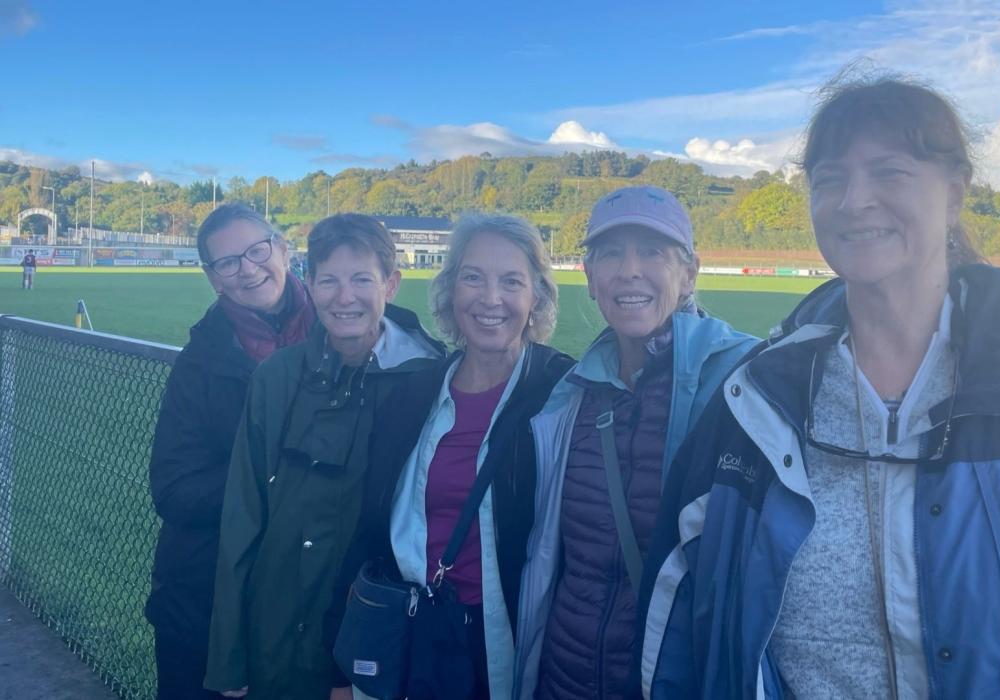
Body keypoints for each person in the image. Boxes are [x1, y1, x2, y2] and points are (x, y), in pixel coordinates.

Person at [641, 76, 1000, 699]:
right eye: (830, 179)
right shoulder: (757, 399)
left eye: (889, 173)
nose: (854, 201)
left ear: (955, 193)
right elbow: (680, 611)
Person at [511, 186, 760, 699]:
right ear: (590, 277)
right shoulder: (571, 396)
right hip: (564, 680)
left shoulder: (742, 383)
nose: (629, 270)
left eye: (652, 251)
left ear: (689, 272)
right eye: (610, 253)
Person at [328, 213, 574, 700]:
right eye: (473, 277)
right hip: (410, 632)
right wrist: (342, 669)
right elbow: (370, 529)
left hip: (499, 648)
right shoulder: (413, 394)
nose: (490, 299)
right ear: (450, 290)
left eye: (511, 281)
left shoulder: (562, 394)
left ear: (536, 297)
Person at [205, 214, 446, 700]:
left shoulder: (430, 380)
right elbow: (242, 518)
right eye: (329, 280)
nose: (345, 297)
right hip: (273, 630)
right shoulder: (277, 377)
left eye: (362, 279)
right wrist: (228, 659)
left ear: (391, 284)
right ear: (309, 284)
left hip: (373, 632)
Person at [146, 203, 317, 700]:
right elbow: (173, 489)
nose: (248, 268)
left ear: (282, 250)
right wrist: (271, 484)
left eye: (257, 250)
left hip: (311, 604)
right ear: (214, 279)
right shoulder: (199, 364)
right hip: (205, 597)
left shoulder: (345, 338)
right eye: (227, 262)